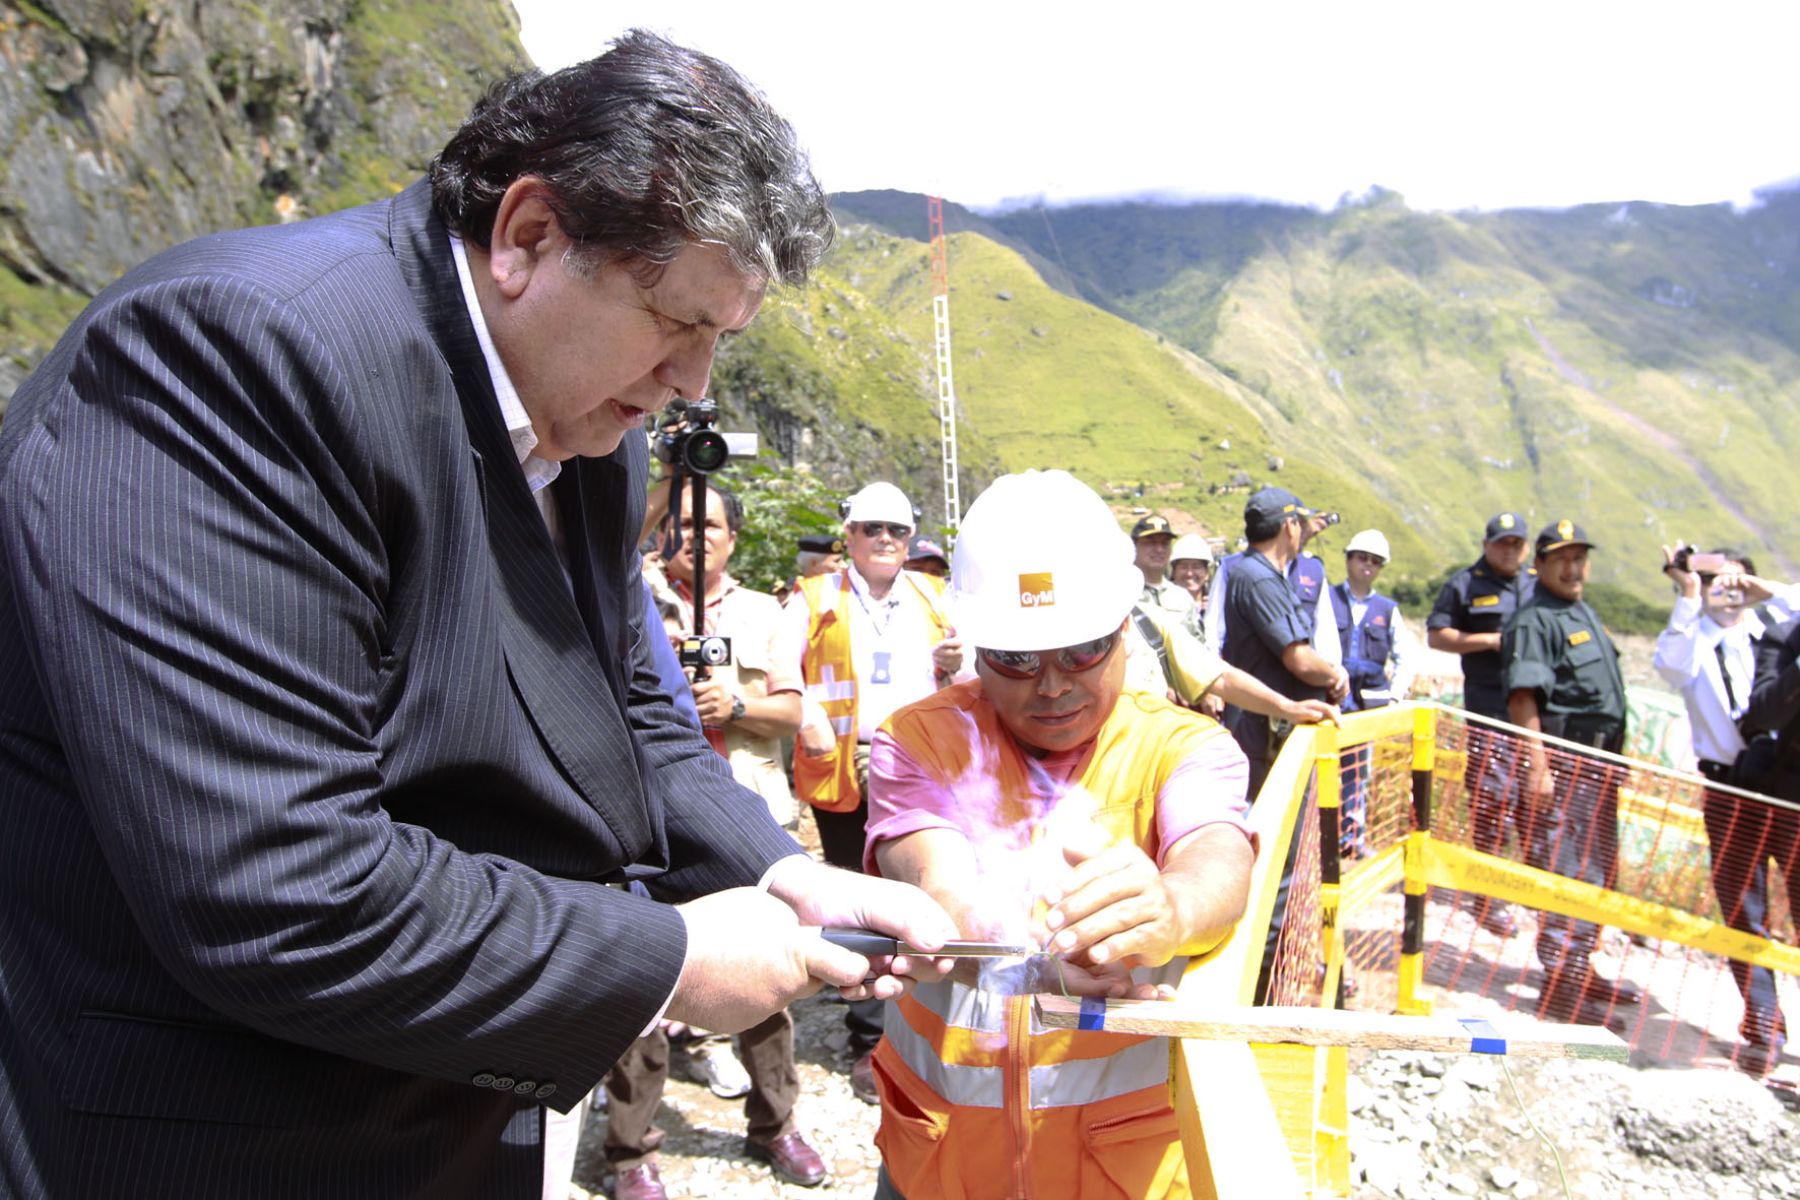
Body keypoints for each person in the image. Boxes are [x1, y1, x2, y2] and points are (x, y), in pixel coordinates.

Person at [0, 32, 957, 1197]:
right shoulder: (234, 360)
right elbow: (275, 884)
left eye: (723, 339)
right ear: (530, 236)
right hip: (213, 1135)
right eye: (675, 320)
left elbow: (633, 716)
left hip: (443, 1113)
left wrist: (775, 875)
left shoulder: (593, 429)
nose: (694, 382)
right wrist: (671, 960)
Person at [863, 469, 1256, 1200]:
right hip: (940, 1161)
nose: (1051, 686)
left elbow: (1217, 856)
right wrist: (1033, 954)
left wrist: (1172, 910)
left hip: (1111, 1165)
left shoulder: (1186, 747)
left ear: (1123, 633)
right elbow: (936, 884)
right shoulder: (916, 741)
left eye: (1081, 651)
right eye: (1014, 658)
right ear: (973, 649)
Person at [610, 483, 827, 1196]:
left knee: (770, 980)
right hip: (641, 819)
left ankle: (777, 1124)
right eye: (682, 523)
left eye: (711, 525)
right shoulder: (626, 589)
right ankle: (630, 1150)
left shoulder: (767, 613)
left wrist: (736, 705)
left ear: (734, 537)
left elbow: (793, 709)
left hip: (744, 812)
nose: (696, 536)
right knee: (640, 981)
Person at [780, 480, 965, 1104]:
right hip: (846, 760)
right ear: (850, 536)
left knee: (921, 883)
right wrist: (806, 718)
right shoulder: (813, 596)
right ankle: (868, 1038)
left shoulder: (934, 596)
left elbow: (969, 673)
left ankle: (925, 1014)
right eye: (872, 529)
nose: (886, 540)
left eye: (898, 531)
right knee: (855, 891)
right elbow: (784, 667)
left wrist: (955, 662)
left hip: (921, 761)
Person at [1655, 547, 1800, 1075]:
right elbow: (1669, 666)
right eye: (1713, 577)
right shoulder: (1693, 640)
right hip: (1729, 785)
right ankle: (1765, 1022)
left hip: (1787, 785)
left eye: (1733, 579)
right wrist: (1689, 594)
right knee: (1743, 906)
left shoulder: (1777, 630)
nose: (1724, 588)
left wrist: (1770, 592)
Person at [1502, 520, 1643, 1026]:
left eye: (1580, 556)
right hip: (1566, 765)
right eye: (1561, 557)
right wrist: (1537, 767)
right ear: (1539, 565)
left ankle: (1580, 968)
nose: (1573, 566)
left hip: (1600, 766)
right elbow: (1524, 698)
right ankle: (1561, 990)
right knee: (1569, 872)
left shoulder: (1581, 611)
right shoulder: (1535, 619)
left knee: (1597, 873)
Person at [1427, 511, 1537, 937]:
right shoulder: (1464, 584)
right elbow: (1437, 635)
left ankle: (1532, 894)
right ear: (1487, 544)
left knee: (1534, 808)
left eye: (1517, 543)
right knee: (1492, 802)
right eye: (1502, 543)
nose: (1510, 550)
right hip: (1488, 711)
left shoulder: (1534, 583)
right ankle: (1486, 899)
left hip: (1534, 715)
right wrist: (1488, 641)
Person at [1218, 487, 1352, 800]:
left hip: (1272, 729)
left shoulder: (1261, 574)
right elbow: (1300, 660)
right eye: (1299, 524)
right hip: (1267, 734)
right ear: (1289, 526)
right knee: (1280, 828)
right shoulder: (1259, 579)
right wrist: (1335, 676)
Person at [1329, 529, 1419, 855]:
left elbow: (1405, 656)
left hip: (1368, 705)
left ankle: (1351, 841)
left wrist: (1395, 695)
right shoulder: (1326, 599)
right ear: (1349, 559)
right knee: (1319, 770)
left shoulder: (1387, 609)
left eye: (1375, 561)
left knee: (1358, 772)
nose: (1368, 565)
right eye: (1362, 558)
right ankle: (1316, 841)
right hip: (1331, 701)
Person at [1742, 613, 1800, 1074]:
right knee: (1753, 917)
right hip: (1788, 802)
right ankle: (1766, 1028)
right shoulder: (1786, 635)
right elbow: (1763, 711)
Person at [1131, 513, 1198, 630]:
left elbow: (1198, 642)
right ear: (1134, 546)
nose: (1159, 549)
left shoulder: (1182, 597)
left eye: (1165, 543)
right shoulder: (1122, 594)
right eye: (1150, 542)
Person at [1168, 532, 1215, 639]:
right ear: (1173, 572)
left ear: (1207, 573)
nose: (1190, 573)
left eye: (1196, 566)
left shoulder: (1218, 608)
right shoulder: (1161, 608)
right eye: (1184, 567)